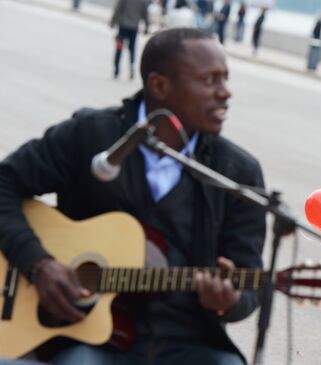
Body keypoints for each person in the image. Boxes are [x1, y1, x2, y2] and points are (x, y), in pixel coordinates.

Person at [0, 28, 266, 365]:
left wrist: (228, 301)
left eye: (225, 79)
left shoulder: (237, 172)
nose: (225, 93)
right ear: (159, 86)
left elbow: (250, 279)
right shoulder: (92, 135)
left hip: (187, 340)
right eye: (209, 80)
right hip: (85, 335)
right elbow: (4, 182)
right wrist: (38, 263)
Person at [110, 0, 150, 80]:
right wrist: (147, 26)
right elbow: (145, 14)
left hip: (123, 26)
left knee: (119, 48)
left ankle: (116, 69)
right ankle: (131, 67)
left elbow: (118, 9)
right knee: (132, 49)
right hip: (134, 27)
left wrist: (113, 21)